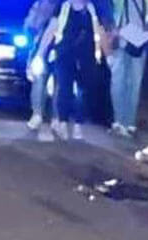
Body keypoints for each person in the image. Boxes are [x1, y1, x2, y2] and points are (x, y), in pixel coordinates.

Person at [34, 0, 105, 141]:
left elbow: (100, 31)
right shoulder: (63, 7)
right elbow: (51, 30)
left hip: (86, 57)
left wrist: (107, 55)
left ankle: (78, 124)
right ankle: (63, 123)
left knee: (83, 92)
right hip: (65, 55)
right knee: (64, 89)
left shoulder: (92, 8)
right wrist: (40, 53)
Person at [108, 0, 148, 137]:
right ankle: (123, 123)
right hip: (127, 42)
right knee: (125, 83)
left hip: (134, 43)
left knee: (127, 83)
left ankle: (124, 123)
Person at [23, 0, 60, 131]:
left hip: (55, 48)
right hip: (46, 48)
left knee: (54, 82)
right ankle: (43, 116)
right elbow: (31, 24)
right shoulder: (43, 4)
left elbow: (31, 25)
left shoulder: (58, 6)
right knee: (43, 80)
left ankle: (49, 116)